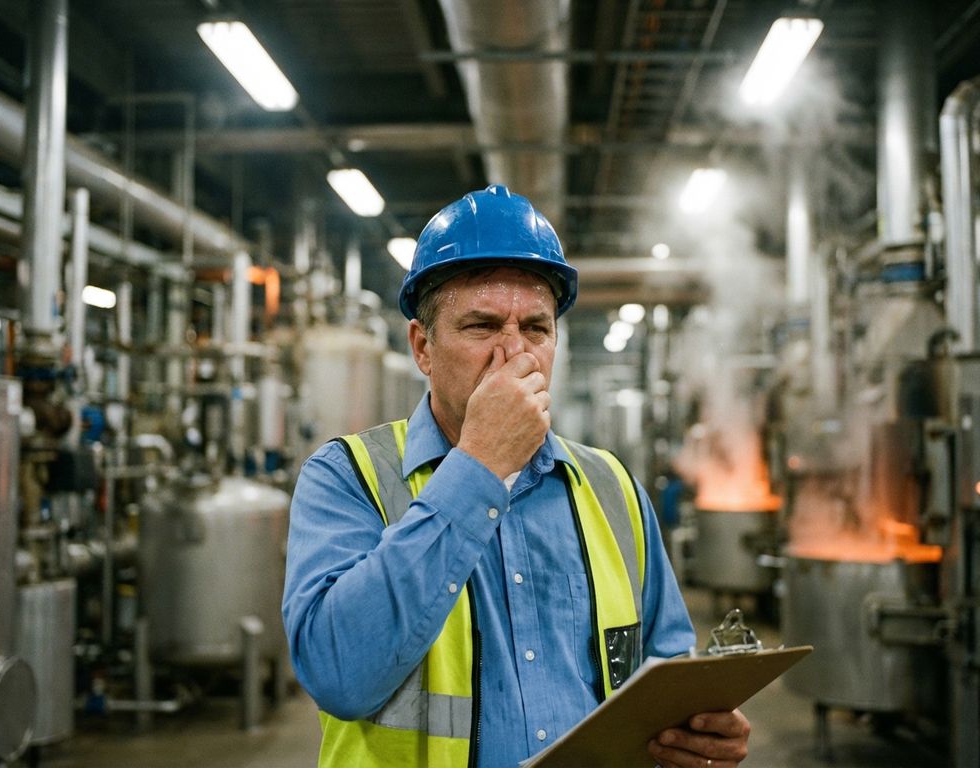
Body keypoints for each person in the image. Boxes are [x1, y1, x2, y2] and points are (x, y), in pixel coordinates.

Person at [282, 184, 751, 767]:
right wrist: (479, 464)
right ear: (423, 348)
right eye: (482, 327)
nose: (514, 354)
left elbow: (665, 670)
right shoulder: (349, 478)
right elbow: (339, 673)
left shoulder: (610, 486)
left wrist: (696, 734)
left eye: (535, 328)